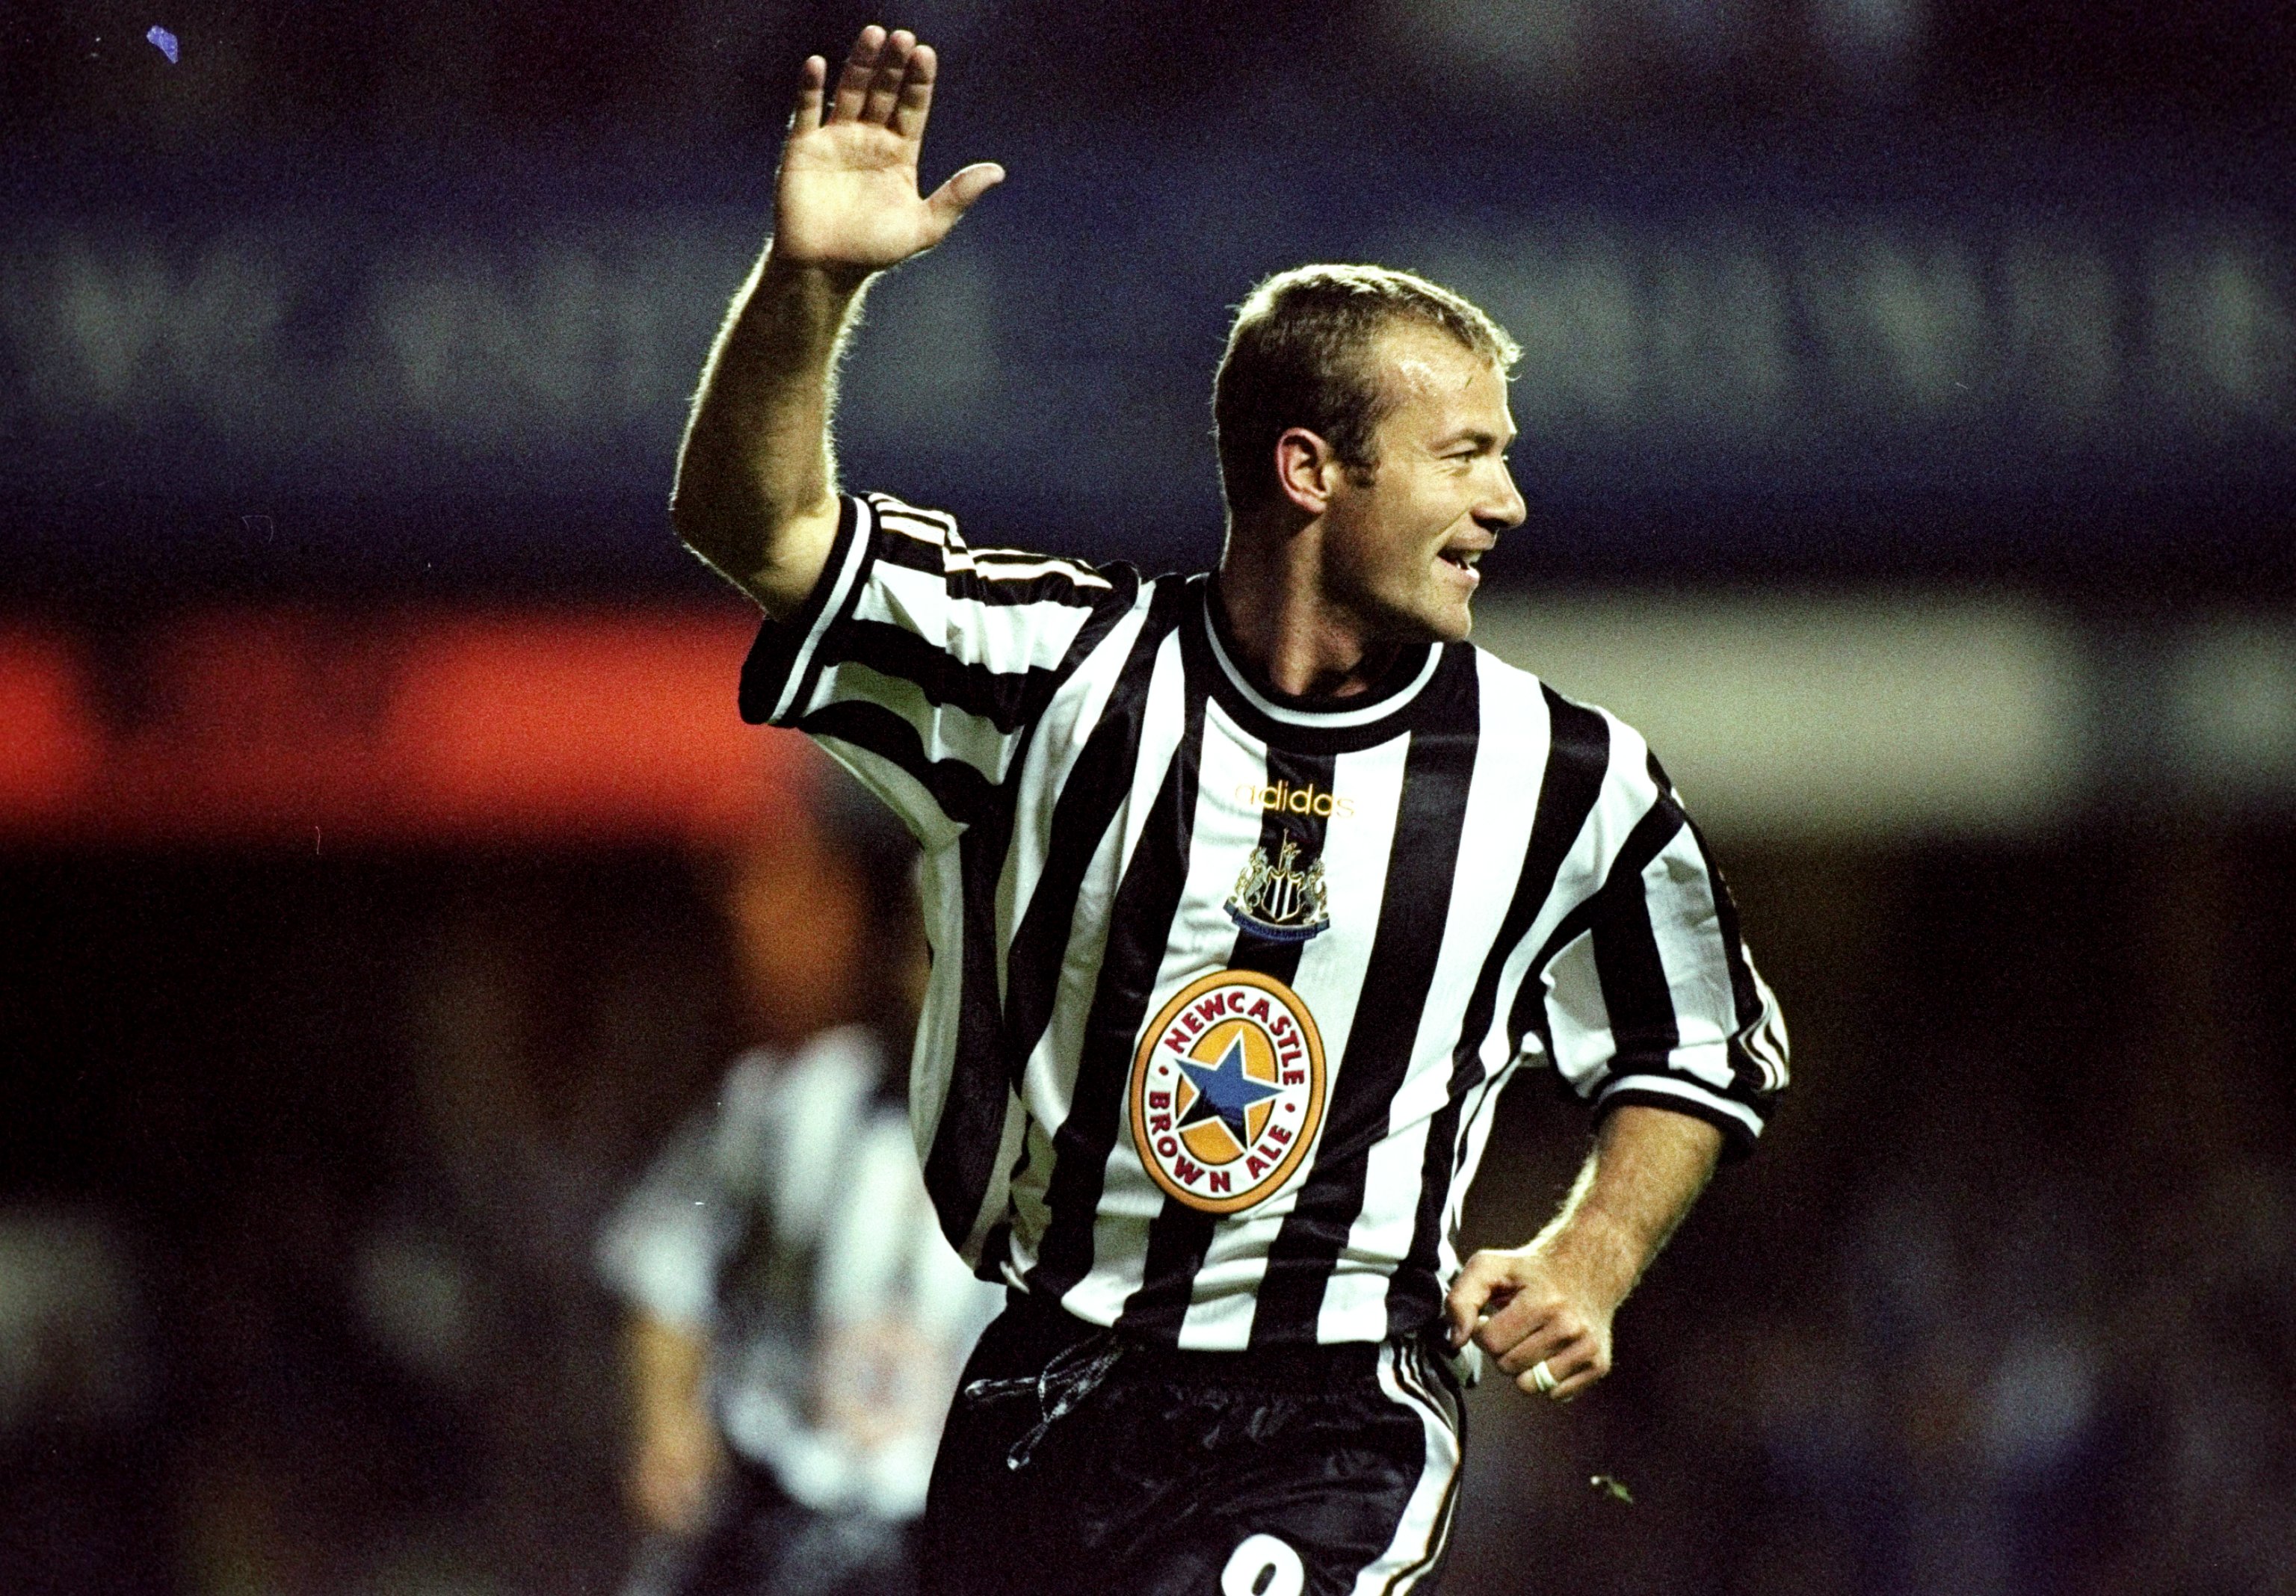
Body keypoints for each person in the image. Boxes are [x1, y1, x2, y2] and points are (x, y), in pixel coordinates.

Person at [668, 23, 1789, 1594]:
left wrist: (1593, 1258)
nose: (1508, 504)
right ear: (1310, 469)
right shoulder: (1052, 672)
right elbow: (754, 526)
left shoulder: (1568, 775)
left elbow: (1698, 1042)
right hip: (1035, 1397)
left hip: (1331, 1415)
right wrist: (813, 284)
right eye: (1465, 457)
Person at [598, 792, 1004, 1596]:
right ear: (905, 962)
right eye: (938, 954)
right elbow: (664, 1258)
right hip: (770, 1508)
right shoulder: (797, 1098)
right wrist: (665, 1418)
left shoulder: (1070, 1157)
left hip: (945, 1541)